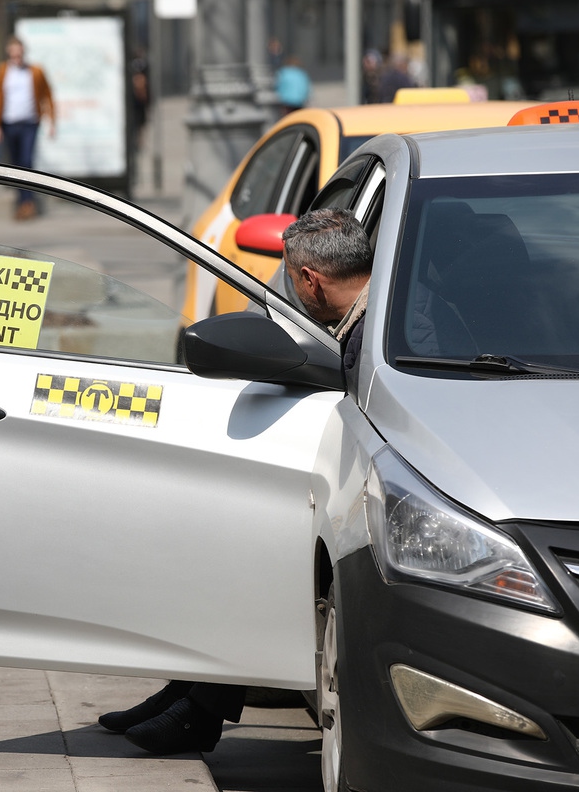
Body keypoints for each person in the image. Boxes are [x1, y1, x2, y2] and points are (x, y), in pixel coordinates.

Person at [97, 208, 373, 755]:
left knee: (250, 552)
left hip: (355, 495)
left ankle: (201, 712)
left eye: (292, 283)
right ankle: (187, 689)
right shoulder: (363, 311)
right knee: (218, 533)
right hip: (321, 477)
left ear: (309, 280)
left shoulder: (379, 331)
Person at [0, 35, 55, 221]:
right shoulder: (1, 71)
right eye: (13, 55)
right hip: (9, 124)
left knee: (26, 160)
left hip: (29, 123)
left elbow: (47, 95)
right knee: (16, 164)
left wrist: (52, 121)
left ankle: (27, 201)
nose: (17, 58)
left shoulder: (35, 71)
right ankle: (21, 200)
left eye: (19, 54)